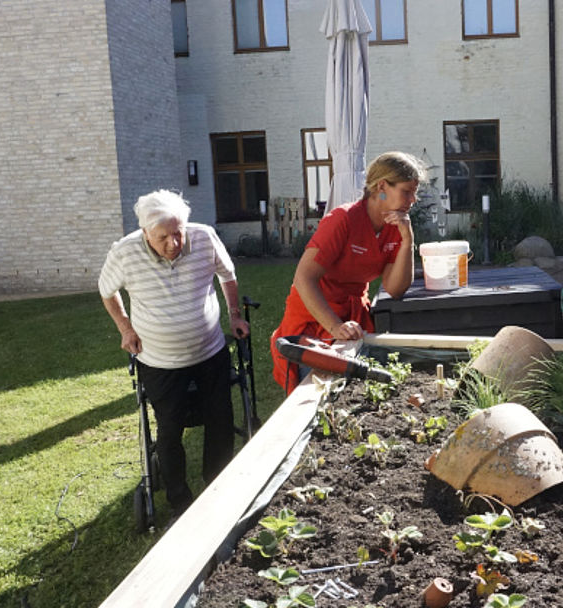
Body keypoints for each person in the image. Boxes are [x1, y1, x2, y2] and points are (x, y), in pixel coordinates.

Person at [99, 189, 250, 519]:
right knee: (169, 430)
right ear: (145, 233)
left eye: (177, 233)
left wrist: (234, 314)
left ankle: (217, 485)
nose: (173, 243)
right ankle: (180, 500)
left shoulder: (205, 237)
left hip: (210, 351)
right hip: (160, 362)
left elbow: (227, 274)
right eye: (163, 236)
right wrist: (125, 328)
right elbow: (106, 290)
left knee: (221, 419)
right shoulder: (125, 252)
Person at [270, 151, 424, 393]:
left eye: (415, 192)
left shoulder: (395, 225)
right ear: (382, 186)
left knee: (356, 394)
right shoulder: (343, 219)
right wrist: (333, 327)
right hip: (315, 320)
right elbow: (303, 278)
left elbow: (395, 288)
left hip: (353, 318)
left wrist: (407, 240)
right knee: (318, 397)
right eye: (407, 191)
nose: (413, 199)